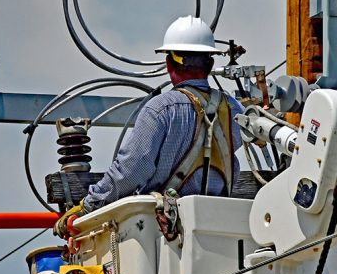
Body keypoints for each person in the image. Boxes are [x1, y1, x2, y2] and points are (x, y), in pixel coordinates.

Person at [55, 16, 244, 236]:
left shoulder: (161, 108)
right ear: (210, 65)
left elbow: (130, 170)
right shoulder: (234, 110)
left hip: (163, 234)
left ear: (169, 64)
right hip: (220, 230)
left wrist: (88, 207)